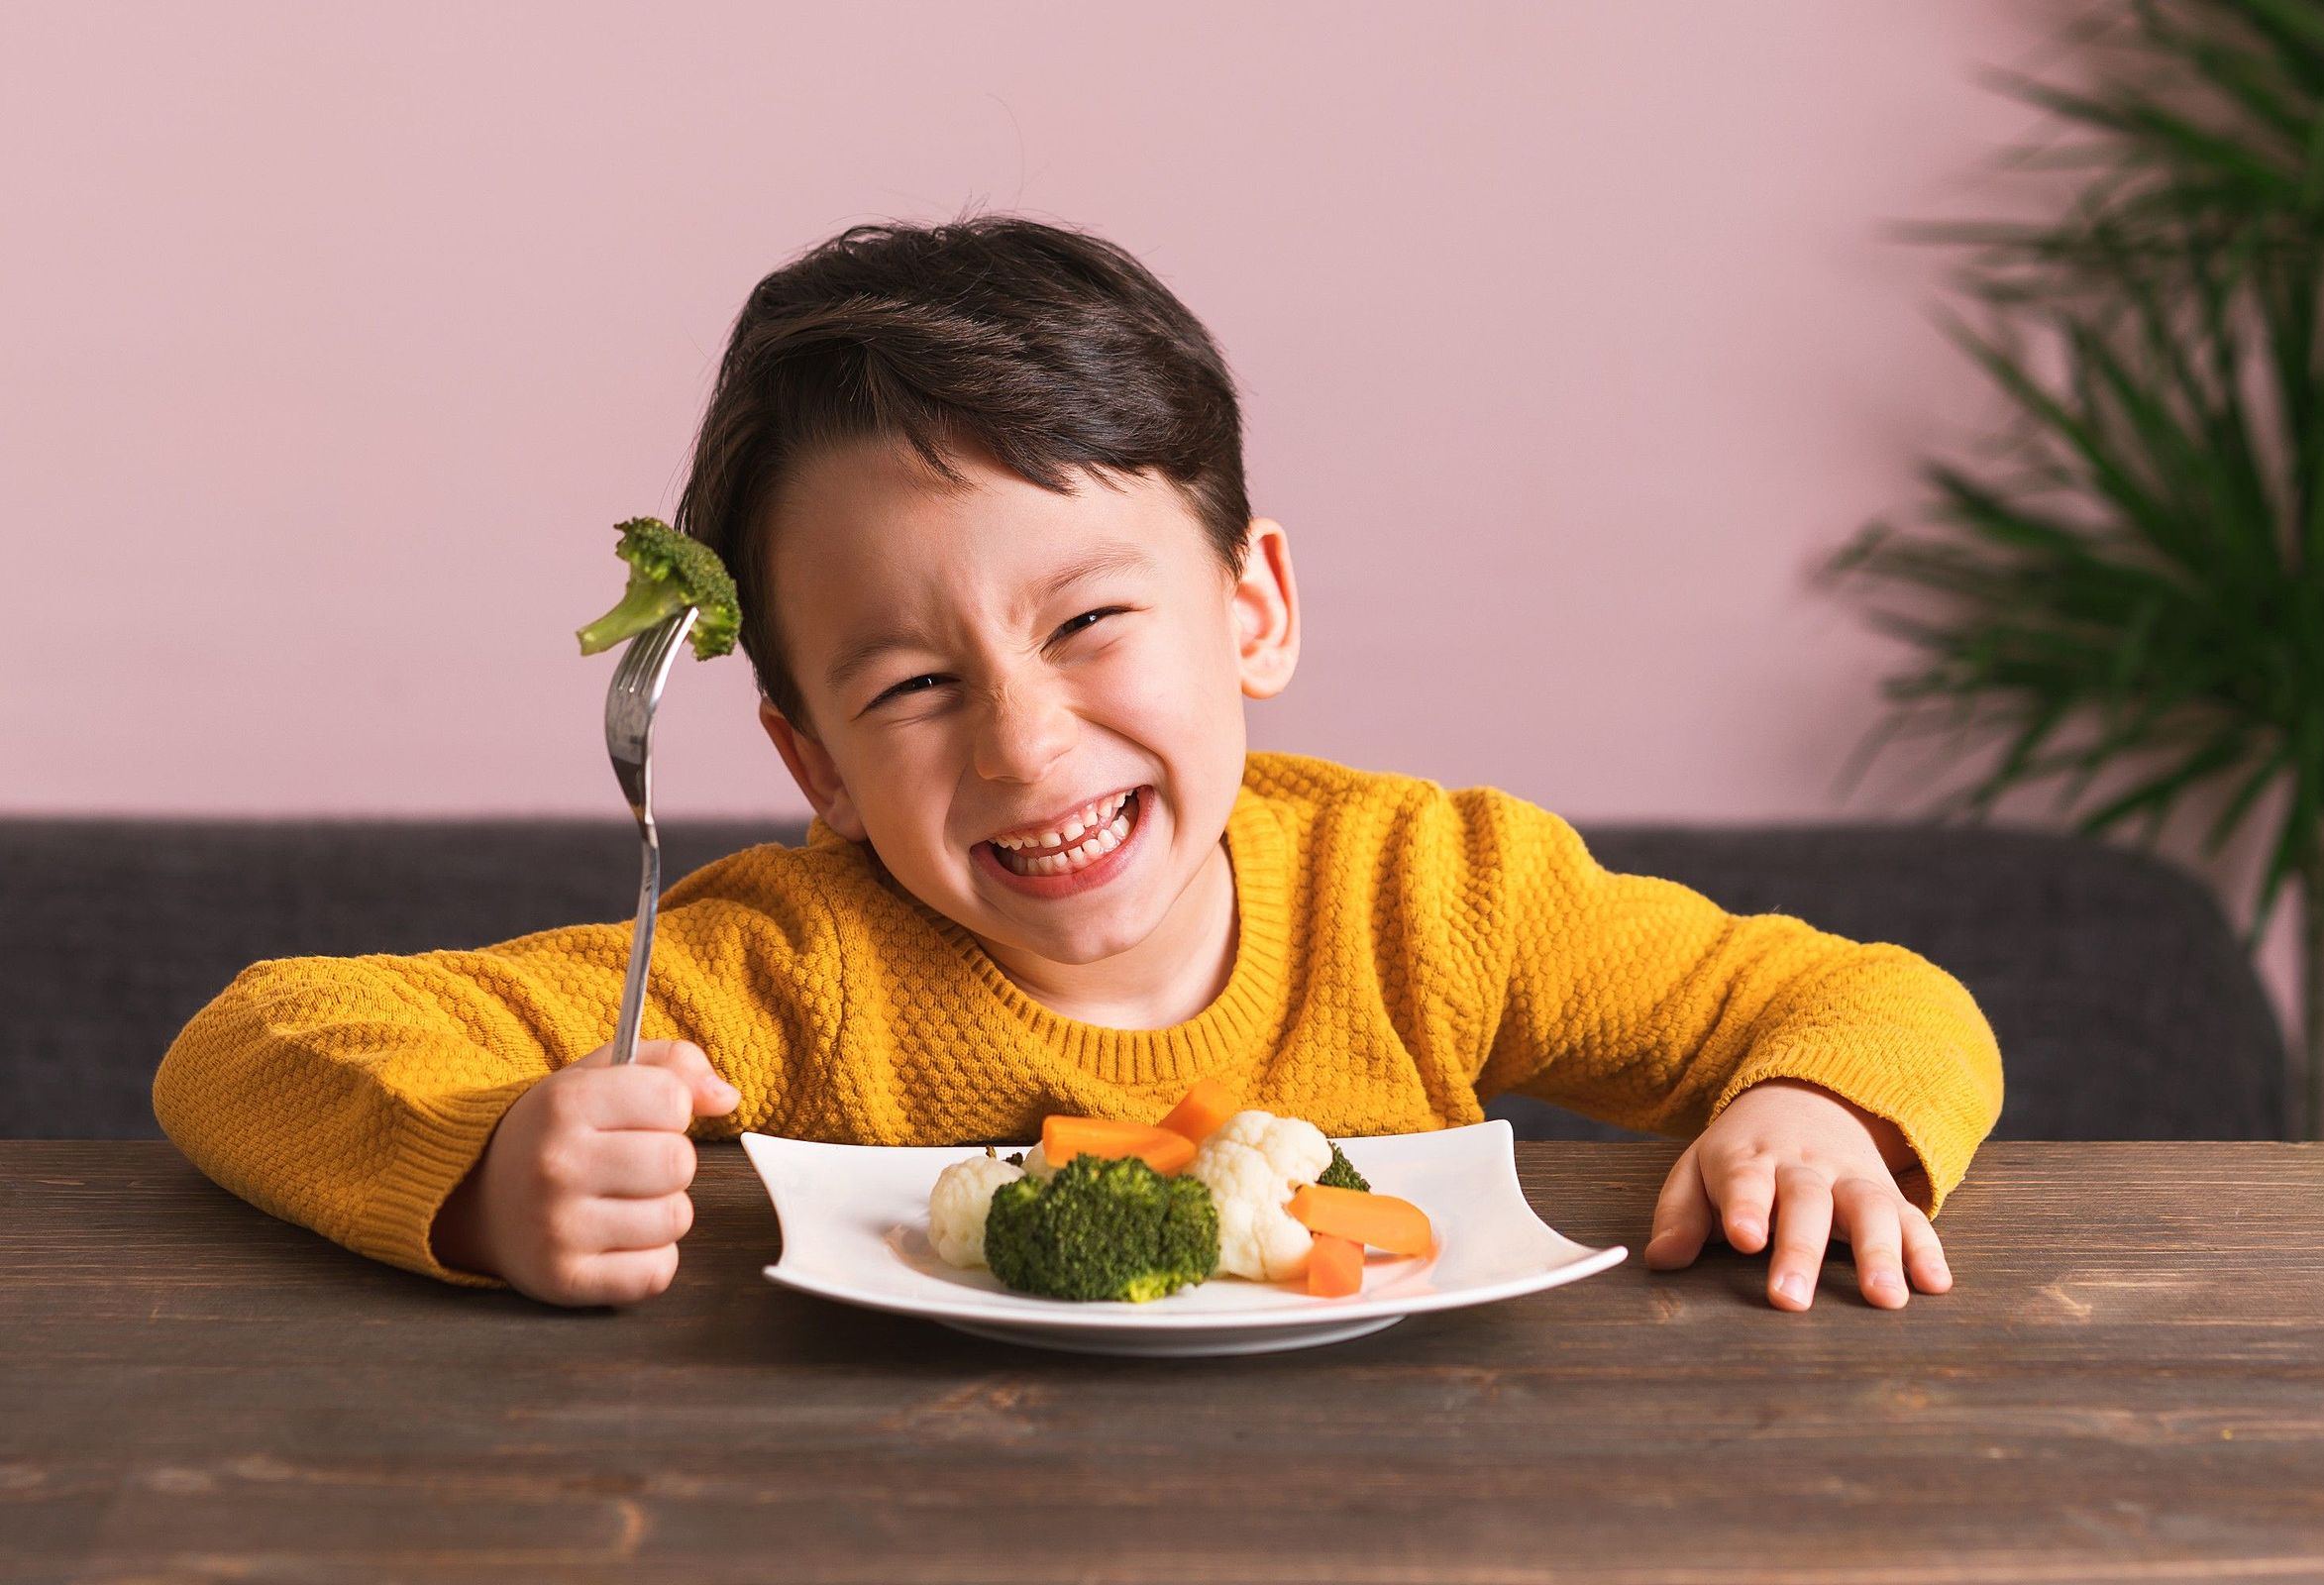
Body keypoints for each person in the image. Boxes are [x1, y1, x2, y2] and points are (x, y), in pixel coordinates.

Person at [154, 211, 2002, 1315]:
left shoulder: (1436, 897)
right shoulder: (779, 976)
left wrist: (1826, 1111)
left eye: (1091, 623)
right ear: (808, 757)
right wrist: (485, 1176)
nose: (1029, 746)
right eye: (907, 688)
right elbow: (249, 1048)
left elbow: (1869, 995)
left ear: (1254, 606)